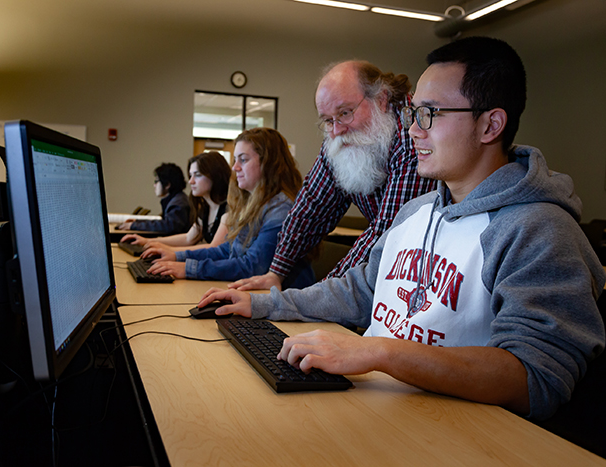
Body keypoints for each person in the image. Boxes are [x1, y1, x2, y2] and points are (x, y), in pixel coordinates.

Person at [200, 37, 606, 420]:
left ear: (490, 125)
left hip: (448, 434)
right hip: (374, 406)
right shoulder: (416, 211)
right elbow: (359, 289)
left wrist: (378, 352)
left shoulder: (540, 229)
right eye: (414, 113)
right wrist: (263, 304)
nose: (413, 129)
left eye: (430, 113)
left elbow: (536, 377)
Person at [230, 60, 435, 291]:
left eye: (345, 113)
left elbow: (390, 232)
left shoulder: (414, 133)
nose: (336, 130)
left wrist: (317, 295)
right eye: (327, 120)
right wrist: (275, 272)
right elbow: (311, 206)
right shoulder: (342, 132)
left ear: (382, 99)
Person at [146, 128, 315, 289]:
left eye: (243, 159)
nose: (235, 167)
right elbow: (227, 250)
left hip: (284, 305)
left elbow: (253, 266)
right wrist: (177, 257)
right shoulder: (252, 203)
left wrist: (189, 269)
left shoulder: (281, 208)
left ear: (268, 163)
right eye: (235, 160)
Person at [120, 151, 231, 253]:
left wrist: (168, 250)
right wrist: (148, 241)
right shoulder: (206, 208)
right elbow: (188, 238)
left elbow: (214, 247)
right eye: (190, 175)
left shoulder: (228, 209)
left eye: (197, 175)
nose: (191, 181)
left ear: (216, 176)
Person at [116, 162, 191, 235]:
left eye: (156, 181)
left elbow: (168, 226)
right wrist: (138, 222)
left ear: (167, 184)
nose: (154, 185)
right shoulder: (177, 199)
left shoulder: (178, 203)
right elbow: (164, 222)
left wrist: (134, 225)